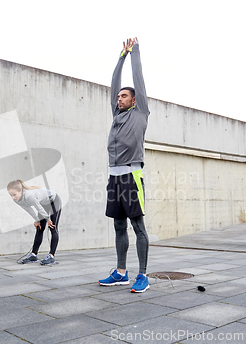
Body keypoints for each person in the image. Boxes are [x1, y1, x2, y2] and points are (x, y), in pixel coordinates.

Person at [98, 37, 150, 293]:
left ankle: (143, 275)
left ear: (134, 100)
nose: (119, 98)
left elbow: (137, 79)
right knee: (118, 225)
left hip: (131, 175)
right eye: (118, 96)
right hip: (114, 178)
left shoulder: (140, 113)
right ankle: (120, 272)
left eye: (124, 96)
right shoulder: (116, 115)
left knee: (137, 226)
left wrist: (134, 52)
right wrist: (120, 57)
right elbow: (112, 85)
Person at [7, 179, 61, 265]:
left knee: (52, 227)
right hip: (43, 204)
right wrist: (37, 220)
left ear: (20, 191)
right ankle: (33, 255)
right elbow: (29, 209)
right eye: (11, 195)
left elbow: (38, 208)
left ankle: (51, 256)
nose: (13, 197)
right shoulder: (17, 200)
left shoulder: (29, 195)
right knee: (40, 228)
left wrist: (48, 219)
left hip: (54, 201)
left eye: (14, 194)